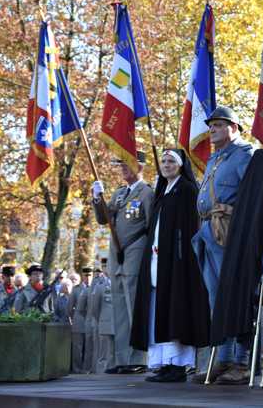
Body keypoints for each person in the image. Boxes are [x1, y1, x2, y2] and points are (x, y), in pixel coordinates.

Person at [131, 149, 211, 383]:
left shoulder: (186, 190)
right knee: (158, 308)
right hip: (157, 260)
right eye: (163, 161)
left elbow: (189, 228)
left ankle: (177, 364)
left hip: (178, 262)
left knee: (176, 308)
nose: (166, 165)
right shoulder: (162, 190)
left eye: (171, 161)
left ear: (180, 165)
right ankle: (163, 363)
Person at [191, 106, 254, 385]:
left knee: (235, 297)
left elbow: (253, 196)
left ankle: (240, 362)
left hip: (228, 233)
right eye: (211, 125)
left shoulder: (244, 155)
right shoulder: (215, 158)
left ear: (234, 127)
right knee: (216, 299)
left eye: (218, 124)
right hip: (208, 231)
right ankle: (224, 358)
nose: (212, 129)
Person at [93, 150, 154, 375]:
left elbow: (151, 226)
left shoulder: (146, 193)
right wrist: (97, 199)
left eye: (128, 163)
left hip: (135, 253)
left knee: (134, 305)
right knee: (119, 307)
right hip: (117, 256)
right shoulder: (119, 194)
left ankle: (139, 357)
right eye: (121, 164)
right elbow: (104, 219)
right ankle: (123, 357)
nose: (123, 168)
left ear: (140, 166)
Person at [68, 267, 92, 373]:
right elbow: (70, 307)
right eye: (86, 275)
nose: (87, 277)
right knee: (77, 347)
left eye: (89, 275)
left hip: (91, 321)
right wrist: (74, 318)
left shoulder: (95, 288)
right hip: (79, 320)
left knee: (90, 347)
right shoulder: (76, 289)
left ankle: (88, 368)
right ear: (82, 276)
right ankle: (77, 369)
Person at [94, 261, 115, 373]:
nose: (108, 269)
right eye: (105, 267)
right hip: (105, 324)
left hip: (118, 324)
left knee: (114, 352)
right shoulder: (100, 287)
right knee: (104, 353)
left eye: (109, 266)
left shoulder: (119, 283)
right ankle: (101, 374)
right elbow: (95, 308)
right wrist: (101, 320)